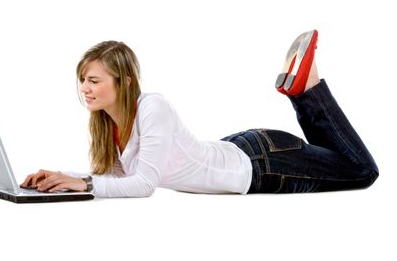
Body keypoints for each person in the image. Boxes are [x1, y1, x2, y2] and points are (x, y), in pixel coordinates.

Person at [21, 30, 379, 197]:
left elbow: (144, 185)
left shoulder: (152, 106)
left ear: (124, 81)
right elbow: (118, 181)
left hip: (262, 165)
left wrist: (82, 184)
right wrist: (59, 178)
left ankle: (306, 89)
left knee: (362, 172)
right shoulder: (109, 124)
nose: (85, 87)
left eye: (94, 80)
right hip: (245, 152)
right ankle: (303, 91)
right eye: (82, 79)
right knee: (340, 163)